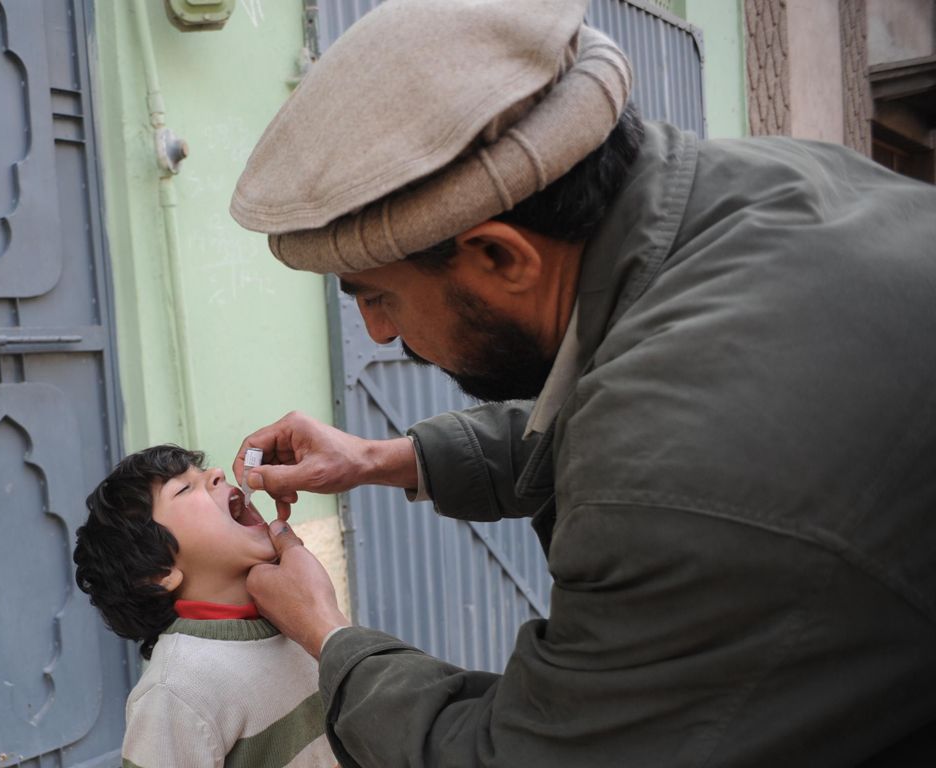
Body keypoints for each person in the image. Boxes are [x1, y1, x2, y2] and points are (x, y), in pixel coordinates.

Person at [229, 0, 936, 765]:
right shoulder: (762, 188)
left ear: (501, 257)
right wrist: (378, 459)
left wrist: (327, 635)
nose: (378, 335)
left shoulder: (676, 463)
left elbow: (526, 755)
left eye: (378, 296)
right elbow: (631, 414)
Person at [73, 445, 336, 768]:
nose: (218, 474)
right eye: (185, 488)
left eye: (203, 472)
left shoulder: (298, 617)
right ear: (159, 573)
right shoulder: (175, 692)